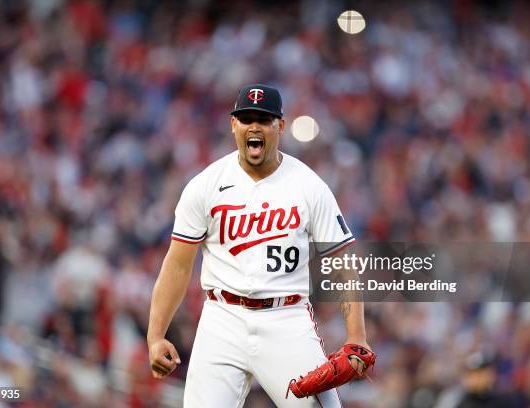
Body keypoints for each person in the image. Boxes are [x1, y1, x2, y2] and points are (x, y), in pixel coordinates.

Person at [147, 84, 372, 407]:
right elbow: (178, 264)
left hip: (286, 318)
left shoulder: (308, 186)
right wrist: (156, 336)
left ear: (280, 126)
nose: (254, 126)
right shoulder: (205, 185)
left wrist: (357, 337)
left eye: (264, 119)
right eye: (246, 118)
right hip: (221, 319)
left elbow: (343, 262)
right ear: (233, 124)